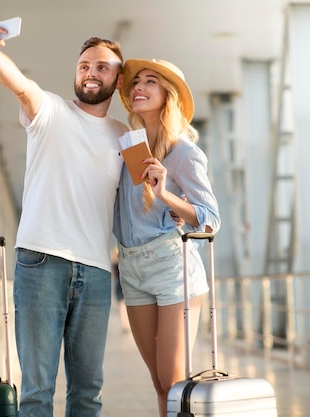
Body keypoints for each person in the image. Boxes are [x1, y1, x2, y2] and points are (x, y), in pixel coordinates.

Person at [0, 16, 128, 417]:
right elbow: (20, 85)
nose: (90, 73)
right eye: (84, 66)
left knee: (88, 392)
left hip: (95, 273)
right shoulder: (51, 110)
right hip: (41, 262)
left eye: (101, 67)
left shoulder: (123, 135)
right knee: (37, 390)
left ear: (118, 79)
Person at [113, 58, 221, 417]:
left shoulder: (184, 153)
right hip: (132, 268)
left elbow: (211, 220)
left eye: (150, 82)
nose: (138, 87)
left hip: (173, 268)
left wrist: (167, 196)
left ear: (168, 95)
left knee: (173, 381)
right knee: (159, 384)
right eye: (135, 83)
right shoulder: (128, 149)